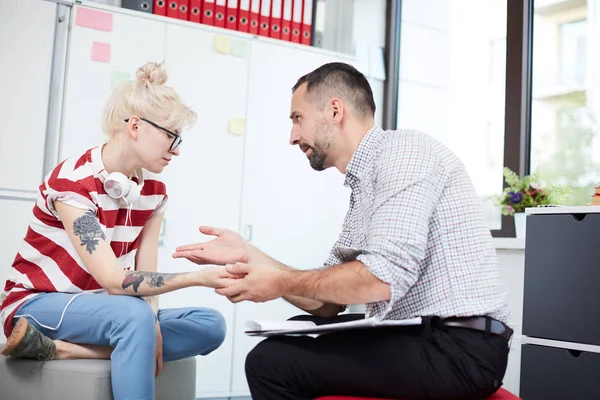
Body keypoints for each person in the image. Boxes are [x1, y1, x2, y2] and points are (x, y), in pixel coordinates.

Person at [173, 62, 513, 400]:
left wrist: (276, 282)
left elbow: (381, 280)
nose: (292, 137)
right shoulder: (364, 184)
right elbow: (324, 302)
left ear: (335, 110)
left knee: (270, 362)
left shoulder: (404, 153)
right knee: (295, 331)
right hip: (420, 337)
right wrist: (249, 253)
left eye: (297, 118)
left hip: (459, 350)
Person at [0, 62, 234, 400]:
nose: (177, 149)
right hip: (36, 304)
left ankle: (68, 350)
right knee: (133, 316)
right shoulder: (73, 184)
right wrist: (197, 277)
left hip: (108, 311)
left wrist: (152, 320)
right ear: (136, 126)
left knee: (210, 324)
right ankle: (110, 339)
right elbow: (114, 280)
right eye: (171, 136)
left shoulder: (154, 192)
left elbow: (146, 275)